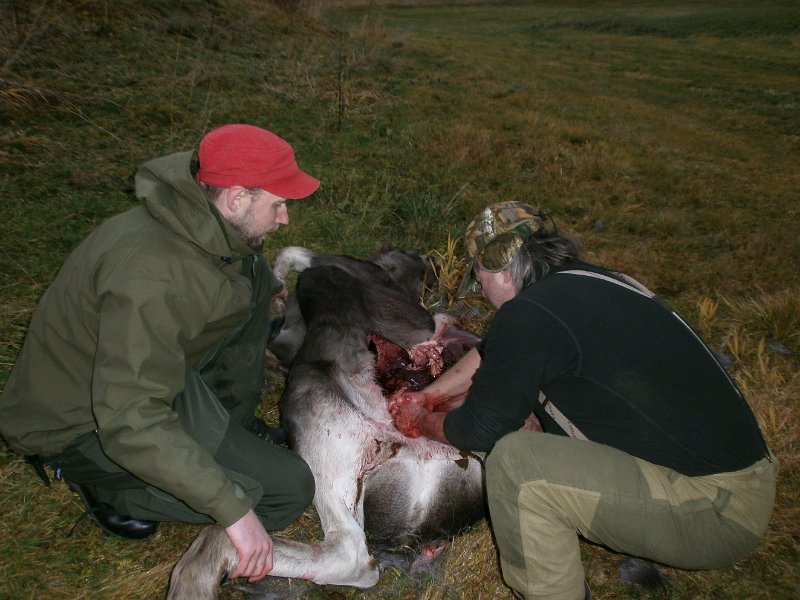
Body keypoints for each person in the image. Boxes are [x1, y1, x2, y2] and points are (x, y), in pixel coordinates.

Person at [389, 201, 777, 600]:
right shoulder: (589, 283)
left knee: (518, 464)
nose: (482, 291)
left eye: (480, 279)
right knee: (533, 422)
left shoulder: (530, 314)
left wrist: (421, 420)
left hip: (713, 512)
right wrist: (430, 395)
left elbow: (480, 428)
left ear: (501, 271)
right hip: (741, 481)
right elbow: (496, 351)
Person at [0, 124, 318, 583]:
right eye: (278, 204)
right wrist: (231, 509)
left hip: (156, 375)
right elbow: (130, 418)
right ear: (236, 198)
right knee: (287, 491)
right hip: (84, 422)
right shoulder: (154, 280)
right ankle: (107, 486)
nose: (285, 218)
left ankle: (231, 425)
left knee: (253, 280)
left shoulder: (211, 228)